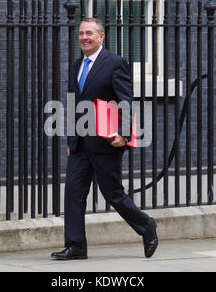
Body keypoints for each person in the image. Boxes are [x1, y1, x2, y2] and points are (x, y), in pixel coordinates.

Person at [50, 18, 158, 260]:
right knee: (73, 193)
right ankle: (76, 246)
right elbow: (73, 103)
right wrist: (70, 140)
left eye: (89, 33)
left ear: (101, 37)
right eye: (81, 33)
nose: (84, 37)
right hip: (80, 143)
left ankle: (146, 225)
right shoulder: (77, 64)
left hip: (107, 141)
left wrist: (124, 133)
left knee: (113, 193)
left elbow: (125, 100)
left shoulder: (115, 63)